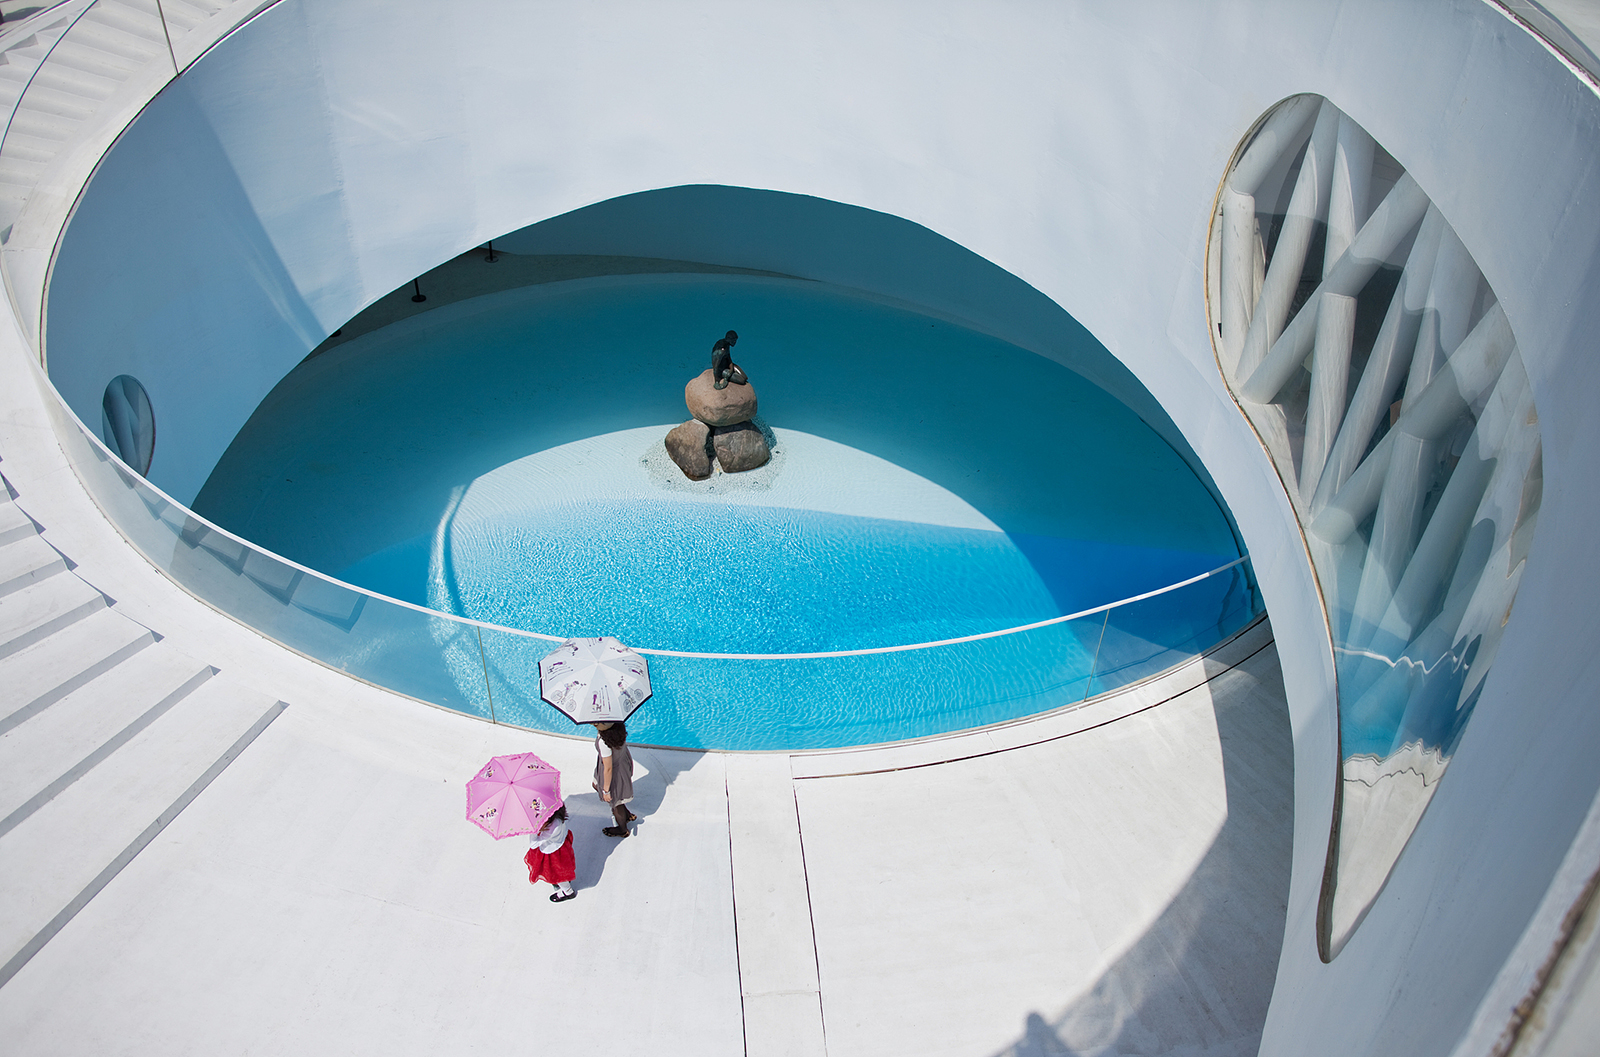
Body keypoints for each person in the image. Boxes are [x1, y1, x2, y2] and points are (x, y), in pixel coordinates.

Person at [524, 805, 577, 902]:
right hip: (562, 845)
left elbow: (534, 844)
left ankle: (568, 892)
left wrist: (534, 831)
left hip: (553, 854)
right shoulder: (558, 817)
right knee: (562, 871)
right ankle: (565, 886)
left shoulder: (550, 829)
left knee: (558, 875)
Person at [593, 721, 637, 837]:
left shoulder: (604, 742)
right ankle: (627, 815)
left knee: (615, 801)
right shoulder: (619, 728)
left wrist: (606, 791)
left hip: (614, 771)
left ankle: (622, 829)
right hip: (622, 762)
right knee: (615, 795)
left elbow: (608, 769)